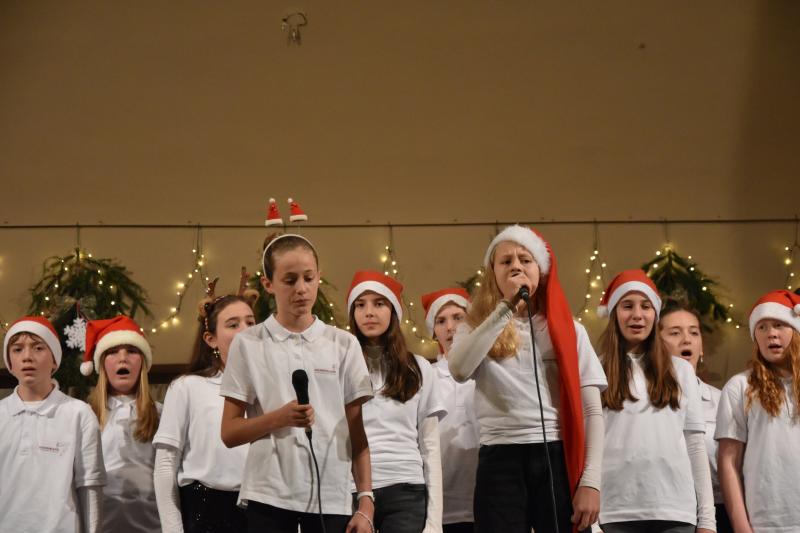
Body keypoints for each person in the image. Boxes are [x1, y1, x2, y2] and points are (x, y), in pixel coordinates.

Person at [448, 225, 607, 533]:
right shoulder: (475, 326)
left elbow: (592, 410)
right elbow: (459, 369)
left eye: (525, 259)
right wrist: (506, 307)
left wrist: (591, 481)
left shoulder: (570, 330)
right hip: (500, 456)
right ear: (493, 272)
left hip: (554, 454)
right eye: (505, 261)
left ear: (541, 271)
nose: (516, 267)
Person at [219, 233, 375, 533]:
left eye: (308, 278)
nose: (301, 289)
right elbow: (229, 432)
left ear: (319, 277)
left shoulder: (343, 344)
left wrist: (366, 501)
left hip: (330, 497)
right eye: (290, 280)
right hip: (268, 495)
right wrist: (279, 418)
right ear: (268, 284)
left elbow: (357, 434)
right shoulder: (248, 343)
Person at [596, 270, 715, 533]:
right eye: (627, 306)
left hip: (675, 511)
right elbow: (587, 447)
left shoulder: (681, 371)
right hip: (614, 511)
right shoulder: (596, 370)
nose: (637, 315)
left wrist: (708, 520)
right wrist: (593, 523)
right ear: (614, 314)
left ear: (655, 314)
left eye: (645, 306)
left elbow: (696, 447)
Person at [153, 276, 256, 533]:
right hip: (206, 513)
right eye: (233, 324)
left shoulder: (270, 388)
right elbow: (166, 464)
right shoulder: (188, 387)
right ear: (211, 339)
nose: (245, 330)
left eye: (250, 322)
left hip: (260, 513)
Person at [348, 271, 447, 533]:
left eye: (379, 303)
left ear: (393, 311)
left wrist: (434, 522)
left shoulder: (419, 368)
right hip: (353, 492)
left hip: (407, 489)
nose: (369, 312)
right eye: (360, 305)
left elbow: (430, 446)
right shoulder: (341, 366)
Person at [0, 316, 106, 532]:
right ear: (9, 361)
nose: (27, 357)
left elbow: (90, 488)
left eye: (38, 348)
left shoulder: (78, 414)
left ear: (55, 360)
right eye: (17, 349)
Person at [716, 289, 800, 532]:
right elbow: (728, 462)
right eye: (762, 327)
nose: (771, 333)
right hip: (767, 521)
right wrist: (741, 526)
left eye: (779, 325)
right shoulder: (740, 386)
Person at [658, 298, 731, 532]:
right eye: (675, 332)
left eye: (693, 332)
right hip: (665, 512)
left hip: (719, 511)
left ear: (701, 348)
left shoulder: (723, 400)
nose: (686, 339)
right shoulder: (644, 400)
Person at [83, 316, 162, 533]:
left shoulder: (162, 414)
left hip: (153, 525)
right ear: (101, 364)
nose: (123, 359)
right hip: (100, 524)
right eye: (113, 352)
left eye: (132, 351)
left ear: (143, 362)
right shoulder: (85, 415)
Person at [421, 287, 478, 533]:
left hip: (485, 499)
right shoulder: (426, 377)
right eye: (441, 321)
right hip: (442, 504)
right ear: (433, 330)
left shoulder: (486, 370)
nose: (450, 327)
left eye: (458, 317)